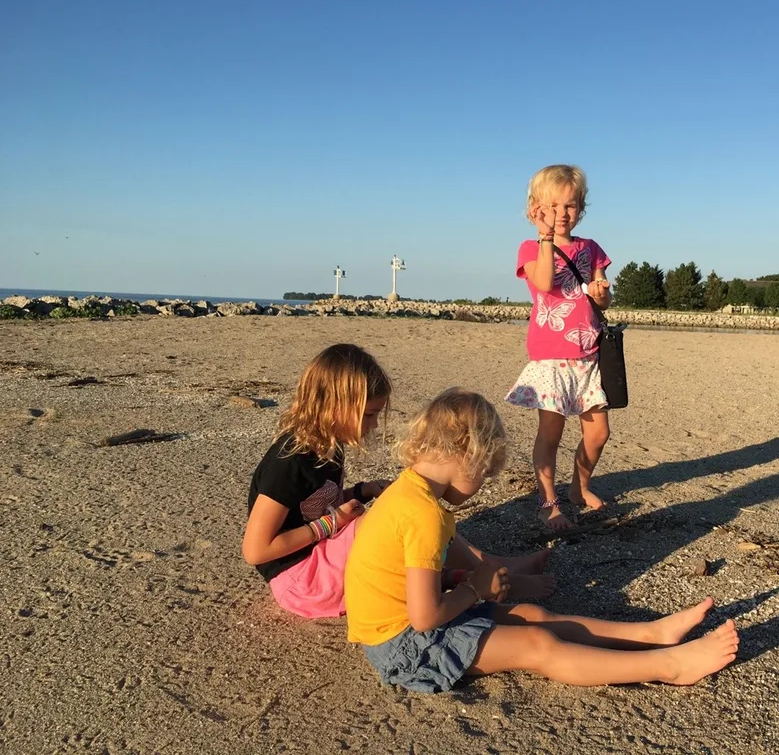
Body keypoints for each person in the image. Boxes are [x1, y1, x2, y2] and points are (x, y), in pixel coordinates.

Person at [345, 389, 739, 693]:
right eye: (485, 474)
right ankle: (669, 666)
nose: (479, 487)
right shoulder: (423, 513)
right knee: (537, 644)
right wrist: (473, 588)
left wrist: (493, 583)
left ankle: (651, 635)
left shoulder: (410, 492)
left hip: (402, 633)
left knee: (533, 616)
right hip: (407, 648)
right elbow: (425, 617)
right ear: (467, 456)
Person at [242, 344, 553, 619]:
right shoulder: (290, 461)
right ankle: (479, 572)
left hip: (319, 559)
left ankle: (488, 565)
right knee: (404, 516)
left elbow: (314, 504)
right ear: (332, 405)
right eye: (368, 414)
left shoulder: (327, 448)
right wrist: (333, 523)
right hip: (300, 581)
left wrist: (362, 492)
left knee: (409, 514)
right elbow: (257, 550)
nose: (375, 424)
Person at [506, 164, 614, 530]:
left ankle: (579, 488)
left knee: (598, 433)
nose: (562, 214)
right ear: (536, 208)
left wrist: (602, 293)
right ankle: (547, 500)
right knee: (550, 434)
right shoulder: (529, 248)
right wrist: (545, 237)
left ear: (581, 208)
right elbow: (545, 281)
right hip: (551, 357)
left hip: (589, 356)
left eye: (570, 206)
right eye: (553, 206)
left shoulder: (591, 248)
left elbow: (603, 299)